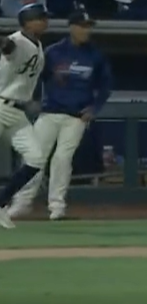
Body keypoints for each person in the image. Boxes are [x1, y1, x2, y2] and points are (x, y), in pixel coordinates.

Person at [8, 11, 112, 221]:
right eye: (82, 25)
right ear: (72, 27)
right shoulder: (54, 52)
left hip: (76, 116)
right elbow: (35, 77)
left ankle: (57, 206)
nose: (86, 30)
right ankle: (22, 203)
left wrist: (94, 107)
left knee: (62, 159)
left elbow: (106, 85)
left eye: (88, 26)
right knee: (34, 157)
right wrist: (32, 98)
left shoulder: (95, 55)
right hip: (50, 112)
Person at [0, 4, 50, 229]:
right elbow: (7, 47)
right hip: (1, 106)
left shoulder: (38, 45)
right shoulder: (17, 40)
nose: (44, 21)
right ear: (27, 22)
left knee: (36, 158)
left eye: (44, 17)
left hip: (17, 112)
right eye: (39, 18)